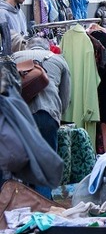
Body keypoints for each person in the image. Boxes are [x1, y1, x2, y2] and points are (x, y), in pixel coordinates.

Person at [12, 37, 70, 198]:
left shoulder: (12, 58)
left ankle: (17, 204)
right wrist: (57, 117)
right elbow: (65, 98)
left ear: (27, 47)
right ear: (48, 47)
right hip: (47, 115)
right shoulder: (59, 60)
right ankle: (42, 207)